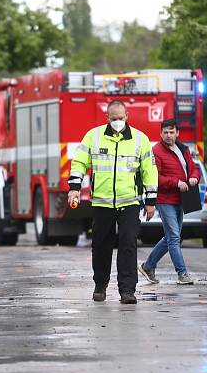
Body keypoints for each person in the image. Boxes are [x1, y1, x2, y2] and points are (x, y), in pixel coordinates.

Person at [68, 100, 158, 304]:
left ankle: (127, 291)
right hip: (102, 203)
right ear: (107, 117)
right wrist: (74, 189)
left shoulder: (140, 140)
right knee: (101, 246)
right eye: (114, 118)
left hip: (130, 202)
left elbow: (150, 171)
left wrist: (150, 200)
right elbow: (79, 163)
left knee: (128, 244)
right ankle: (100, 285)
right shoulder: (94, 136)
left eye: (121, 118)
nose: (118, 122)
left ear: (127, 116)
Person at [138, 118, 201, 285]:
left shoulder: (183, 148)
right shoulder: (156, 151)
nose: (168, 135)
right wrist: (176, 182)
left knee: (170, 237)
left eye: (171, 132)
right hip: (165, 200)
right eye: (165, 132)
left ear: (177, 133)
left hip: (182, 199)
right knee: (174, 237)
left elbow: (193, 167)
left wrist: (194, 177)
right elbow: (155, 176)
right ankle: (182, 274)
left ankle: (148, 266)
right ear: (160, 133)